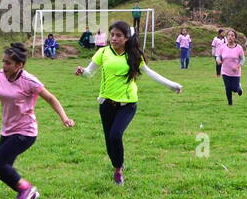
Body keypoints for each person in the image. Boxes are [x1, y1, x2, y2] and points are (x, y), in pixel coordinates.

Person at [0, 41, 75, 199]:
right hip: (7, 129)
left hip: (25, 131)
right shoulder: (1, 74)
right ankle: (28, 192)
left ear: (19, 65)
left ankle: (26, 189)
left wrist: (64, 118)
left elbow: (51, 98)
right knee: (2, 169)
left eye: (8, 63)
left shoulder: (29, 81)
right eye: (3, 61)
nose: (4, 65)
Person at [75, 20, 181, 186]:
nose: (114, 38)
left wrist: (172, 85)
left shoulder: (134, 56)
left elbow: (150, 73)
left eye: (118, 35)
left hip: (127, 104)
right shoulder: (103, 53)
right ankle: (117, 164)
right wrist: (82, 72)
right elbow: (89, 73)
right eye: (112, 35)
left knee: (116, 135)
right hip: (106, 103)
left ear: (126, 38)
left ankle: (118, 170)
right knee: (109, 141)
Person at [218, 30, 245, 105]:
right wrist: (218, 60)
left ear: (235, 38)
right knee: (228, 87)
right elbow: (218, 56)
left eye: (232, 35)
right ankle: (230, 103)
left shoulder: (239, 48)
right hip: (225, 71)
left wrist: (238, 66)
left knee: (234, 89)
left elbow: (243, 59)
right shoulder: (222, 47)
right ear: (226, 37)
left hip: (235, 72)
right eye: (229, 35)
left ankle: (238, 87)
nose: (230, 37)